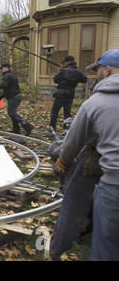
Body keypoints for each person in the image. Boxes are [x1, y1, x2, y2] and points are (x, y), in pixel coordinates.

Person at [55, 49, 119, 261]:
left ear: (107, 70)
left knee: (105, 247)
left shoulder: (95, 103)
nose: (95, 74)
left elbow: (72, 142)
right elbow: (82, 78)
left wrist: (62, 161)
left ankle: (58, 247)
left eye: (98, 69)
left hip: (113, 183)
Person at [49, 56, 87, 131]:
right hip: (70, 94)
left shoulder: (63, 71)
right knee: (67, 113)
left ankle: (52, 129)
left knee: (54, 112)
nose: (63, 64)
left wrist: (59, 71)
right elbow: (84, 79)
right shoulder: (78, 71)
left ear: (68, 62)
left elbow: (55, 80)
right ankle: (66, 130)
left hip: (60, 94)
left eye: (63, 62)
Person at [0, 63, 34, 136]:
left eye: (2, 68)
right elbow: (9, 88)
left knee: (12, 113)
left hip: (14, 97)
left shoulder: (7, 75)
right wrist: (2, 96)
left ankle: (27, 126)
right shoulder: (11, 75)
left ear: (7, 68)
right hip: (16, 95)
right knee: (11, 113)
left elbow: (4, 85)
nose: (2, 70)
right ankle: (16, 130)